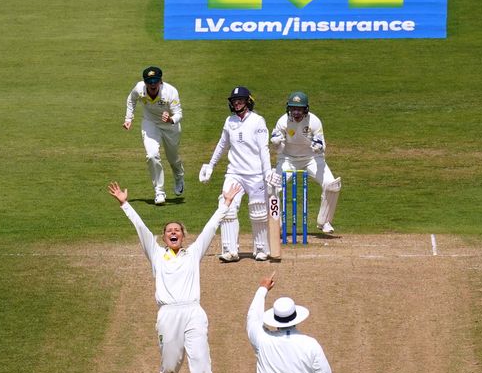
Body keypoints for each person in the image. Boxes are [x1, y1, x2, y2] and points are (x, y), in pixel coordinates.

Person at [107, 180, 242, 373]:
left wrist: (225, 203)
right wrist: (125, 204)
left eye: (177, 230)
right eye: (169, 230)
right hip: (168, 314)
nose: (173, 232)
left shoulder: (193, 254)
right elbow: (141, 228)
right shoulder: (156, 254)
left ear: (183, 235)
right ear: (164, 236)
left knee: (201, 361)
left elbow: (211, 228)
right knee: (169, 365)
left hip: (193, 312)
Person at [199, 86, 277, 262]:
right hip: (235, 173)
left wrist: (267, 172)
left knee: (258, 210)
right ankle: (230, 250)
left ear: (248, 101)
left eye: (240, 100)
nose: (237, 103)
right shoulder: (229, 121)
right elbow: (222, 144)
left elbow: (264, 148)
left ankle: (261, 249)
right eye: (234, 101)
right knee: (226, 208)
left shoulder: (258, 121)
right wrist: (210, 165)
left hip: (256, 174)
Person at [269, 91, 341, 234]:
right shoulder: (282, 121)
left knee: (332, 185)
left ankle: (324, 221)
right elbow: (279, 150)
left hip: (312, 159)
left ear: (305, 109)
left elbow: (321, 145)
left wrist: (318, 148)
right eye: (293, 108)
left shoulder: (314, 121)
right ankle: (277, 224)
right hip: (288, 159)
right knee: (271, 187)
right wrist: (277, 144)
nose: (296, 112)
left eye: (299, 109)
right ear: (289, 108)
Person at [123, 66, 185, 205]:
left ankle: (179, 176)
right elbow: (131, 99)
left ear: (160, 81)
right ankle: (159, 192)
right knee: (151, 155)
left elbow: (179, 113)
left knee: (173, 158)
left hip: (170, 126)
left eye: (155, 81)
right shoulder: (139, 88)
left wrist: (170, 119)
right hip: (150, 123)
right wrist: (128, 118)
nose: (152, 84)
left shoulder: (170, 92)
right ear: (145, 82)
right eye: (149, 81)